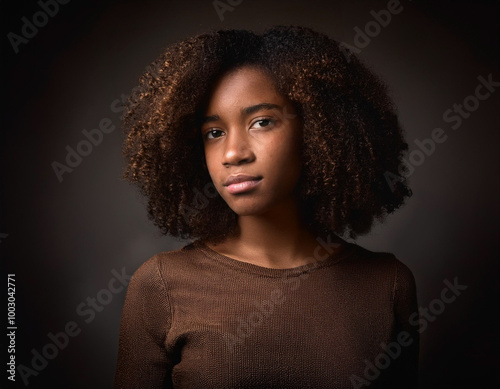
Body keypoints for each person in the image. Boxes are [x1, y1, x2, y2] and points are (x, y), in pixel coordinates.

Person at [114, 25, 419, 388]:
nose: (233, 153)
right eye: (214, 132)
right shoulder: (161, 285)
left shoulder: (388, 285)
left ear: (320, 129)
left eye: (261, 122)